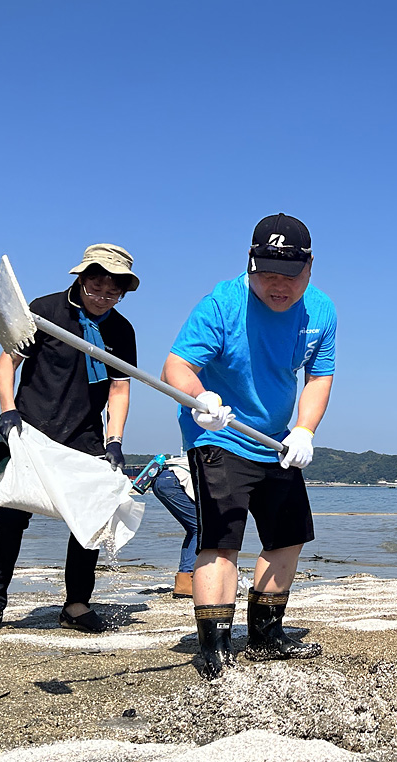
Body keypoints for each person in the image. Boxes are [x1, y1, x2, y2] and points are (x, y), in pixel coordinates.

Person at [160, 213, 336, 679]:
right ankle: (214, 647)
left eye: (289, 276)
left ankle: (265, 635)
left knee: (288, 536)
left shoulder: (320, 311)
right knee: (221, 542)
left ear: (310, 267)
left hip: (276, 441)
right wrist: (199, 398)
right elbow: (176, 366)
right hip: (217, 431)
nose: (278, 286)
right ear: (250, 263)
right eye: (267, 275)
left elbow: (319, 376)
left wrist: (305, 430)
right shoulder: (221, 303)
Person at [0, 244, 139, 636]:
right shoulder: (44, 310)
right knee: (11, 516)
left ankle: (76, 604)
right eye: (96, 286)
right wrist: (8, 410)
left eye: (113, 291)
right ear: (81, 278)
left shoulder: (120, 330)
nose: (102, 296)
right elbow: (8, 360)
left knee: (89, 517)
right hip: (32, 427)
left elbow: (120, 389)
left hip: (85, 433)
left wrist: (115, 439)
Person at [131, 453, 199, 599]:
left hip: (162, 479)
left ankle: (185, 581)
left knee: (194, 529)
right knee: (199, 529)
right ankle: (187, 582)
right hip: (173, 481)